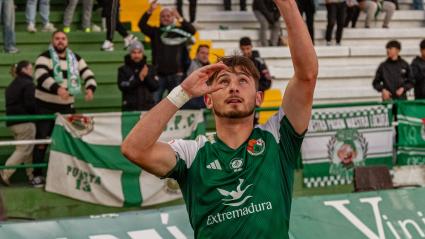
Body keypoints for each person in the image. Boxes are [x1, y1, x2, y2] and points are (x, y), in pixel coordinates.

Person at [122, 0, 318, 237]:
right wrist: (182, 93)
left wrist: (286, 4)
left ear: (258, 98)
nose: (233, 88)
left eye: (242, 81)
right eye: (224, 82)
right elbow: (134, 149)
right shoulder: (192, 154)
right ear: (208, 99)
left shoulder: (278, 137)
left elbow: (307, 75)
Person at [32, 31, 97, 187]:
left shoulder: (75, 58)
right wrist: (57, 89)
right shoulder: (44, 57)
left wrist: (90, 88)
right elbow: (40, 76)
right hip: (45, 107)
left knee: (68, 141)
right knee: (42, 142)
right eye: (57, 38)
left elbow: (88, 73)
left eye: (63, 38)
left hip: (67, 107)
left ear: (67, 41)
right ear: (52, 41)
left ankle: (64, 174)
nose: (60, 41)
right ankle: (37, 175)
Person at [138, 2, 196, 103]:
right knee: (154, 104)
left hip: (177, 75)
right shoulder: (155, 32)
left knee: (177, 105)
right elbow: (141, 25)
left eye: (168, 16)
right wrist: (150, 11)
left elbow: (192, 30)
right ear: (159, 18)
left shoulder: (179, 31)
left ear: (173, 18)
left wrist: (179, 17)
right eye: (163, 16)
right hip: (159, 75)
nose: (165, 18)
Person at [0, 61, 37, 186]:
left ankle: (31, 176)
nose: (32, 71)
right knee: (24, 150)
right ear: (24, 69)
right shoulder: (28, 84)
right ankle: (5, 172)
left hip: (13, 122)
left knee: (26, 150)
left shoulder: (11, 85)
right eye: (30, 68)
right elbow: (31, 105)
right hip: (25, 122)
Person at [118, 41, 159, 111]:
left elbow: (155, 87)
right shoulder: (123, 69)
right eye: (134, 52)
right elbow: (123, 86)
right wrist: (139, 78)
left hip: (148, 108)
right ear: (130, 53)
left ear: (142, 53)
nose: (136, 55)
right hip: (129, 108)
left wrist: (146, 77)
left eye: (139, 52)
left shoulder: (150, 68)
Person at [182, 44, 210, 109]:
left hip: (202, 98)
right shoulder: (191, 64)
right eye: (202, 53)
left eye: (207, 53)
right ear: (196, 54)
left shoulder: (209, 67)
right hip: (191, 98)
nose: (205, 56)